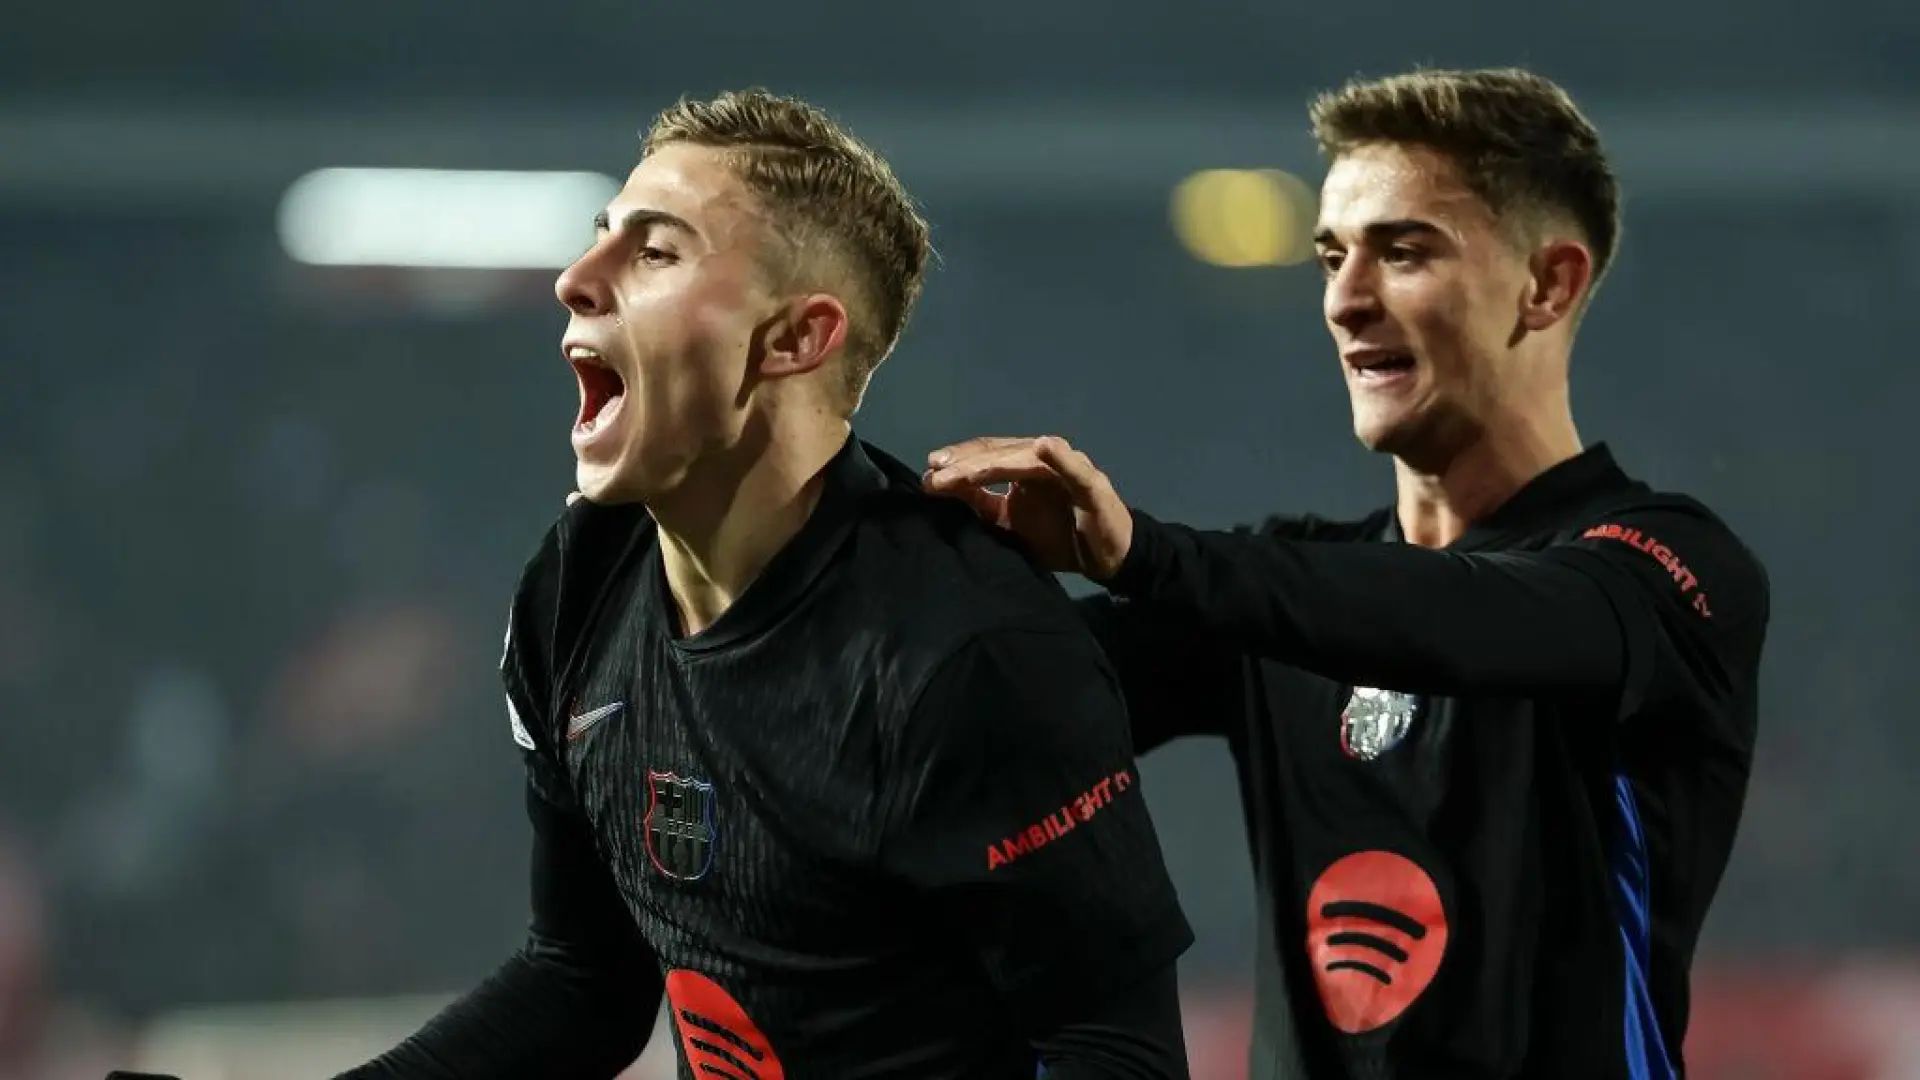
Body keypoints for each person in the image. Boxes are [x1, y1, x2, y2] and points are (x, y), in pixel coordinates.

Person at [925, 68, 1769, 1079]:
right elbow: (987, 711)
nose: (1344, 299)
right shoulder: (1279, 593)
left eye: (1403, 252)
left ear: (1548, 284)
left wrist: (1148, 555)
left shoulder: (1665, 574)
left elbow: (1473, 615)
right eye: (1332, 256)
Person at [343, 89, 1193, 1080]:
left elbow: (1118, 1059)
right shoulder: (576, 591)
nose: (575, 279)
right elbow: (584, 979)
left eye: (654, 253)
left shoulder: (967, 652)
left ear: (794, 340)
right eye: (600, 238)